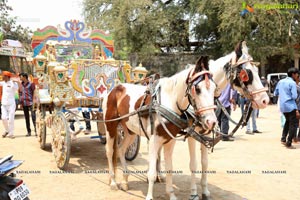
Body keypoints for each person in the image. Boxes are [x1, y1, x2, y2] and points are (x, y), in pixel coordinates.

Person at [274, 67, 298, 149]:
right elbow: (294, 96)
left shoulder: (280, 81)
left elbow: (275, 92)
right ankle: (289, 142)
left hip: (282, 106)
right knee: (293, 125)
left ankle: (283, 139)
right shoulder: (292, 83)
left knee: (287, 122)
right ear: (293, 74)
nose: (297, 75)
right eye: (297, 74)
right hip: (290, 105)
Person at [0, 71, 19, 139]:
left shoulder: (13, 83)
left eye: (3, 76)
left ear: (7, 77)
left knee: (11, 119)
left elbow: (16, 88)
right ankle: (7, 130)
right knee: (3, 118)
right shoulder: (3, 83)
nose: (2, 77)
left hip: (11, 104)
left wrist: (13, 82)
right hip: (4, 104)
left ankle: (11, 133)